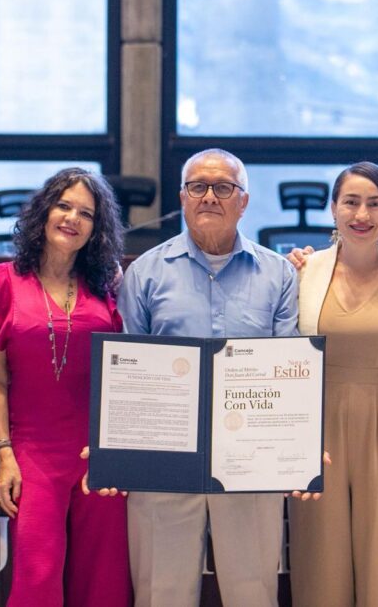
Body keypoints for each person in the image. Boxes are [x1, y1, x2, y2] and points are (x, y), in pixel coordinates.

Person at [116, 148, 298, 607]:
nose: (210, 197)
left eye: (223, 187)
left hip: (251, 460)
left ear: (244, 201)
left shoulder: (278, 274)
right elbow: (127, 373)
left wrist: (294, 449)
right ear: (183, 197)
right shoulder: (144, 273)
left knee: (253, 593)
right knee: (161, 593)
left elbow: (288, 373)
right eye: (198, 186)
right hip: (164, 459)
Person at [0, 168, 132, 607]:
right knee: (37, 578)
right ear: (44, 212)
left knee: (103, 583)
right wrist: (5, 454)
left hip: (96, 454)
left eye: (86, 213)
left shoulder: (108, 286)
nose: (72, 218)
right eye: (64, 206)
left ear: (97, 228)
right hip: (32, 454)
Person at [287, 162, 378, 606]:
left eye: (374, 204)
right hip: (317, 427)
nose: (362, 214)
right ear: (333, 209)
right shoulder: (302, 273)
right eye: (351, 202)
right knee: (319, 556)